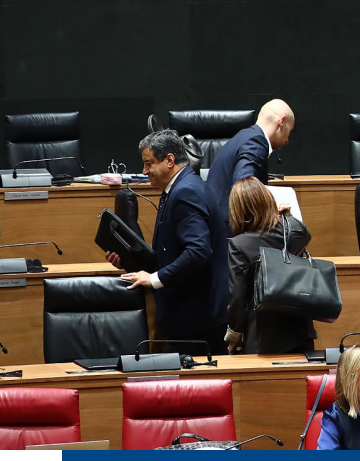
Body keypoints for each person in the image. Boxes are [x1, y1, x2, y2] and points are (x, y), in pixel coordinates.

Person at [107, 130, 229, 355]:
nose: (144, 171)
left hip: (196, 319)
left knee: (193, 389)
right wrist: (131, 262)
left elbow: (198, 252)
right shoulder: (182, 187)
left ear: (170, 160)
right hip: (193, 316)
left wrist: (155, 279)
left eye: (148, 163)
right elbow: (172, 251)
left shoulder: (186, 192)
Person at [223, 176, 315, 355]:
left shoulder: (239, 244)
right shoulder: (293, 232)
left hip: (263, 335)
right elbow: (304, 233)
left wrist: (234, 332)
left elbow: (238, 295)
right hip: (299, 330)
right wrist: (287, 217)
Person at [205, 98, 295, 226]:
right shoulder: (257, 141)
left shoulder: (244, 136)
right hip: (230, 230)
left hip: (217, 223)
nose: (287, 140)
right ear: (282, 121)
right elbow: (243, 186)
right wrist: (271, 210)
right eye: (289, 131)